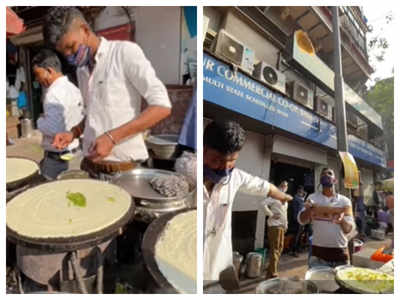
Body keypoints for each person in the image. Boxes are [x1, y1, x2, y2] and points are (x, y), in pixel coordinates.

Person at [43, 7, 171, 179]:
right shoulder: (82, 71)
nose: (70, 56)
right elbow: (92, 113)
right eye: (64, 53)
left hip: (124, 171)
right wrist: (73, 132)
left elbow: (162, 106)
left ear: (85, 30)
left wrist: (112, 138)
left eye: (71, 47)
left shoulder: (124, 53)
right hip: (91, 168)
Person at [203, 120, 293, 283]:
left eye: (231, 161)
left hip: (218, 271)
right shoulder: (187, 175)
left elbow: (267, 187)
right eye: (217, 160)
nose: (224, 169)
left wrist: (285, 196)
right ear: (203, 149)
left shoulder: (235, 177)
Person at [32, 49, 84, 179]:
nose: (37, 79)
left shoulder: (53, 93)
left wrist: (39, 120)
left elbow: (54, 129)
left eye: (38, 74)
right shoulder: (74, 88)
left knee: (51, 192)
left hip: (57, 159)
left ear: (49, 71)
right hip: (75, 153)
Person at [298, 168, 355, 268]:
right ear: (320, 180)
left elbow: (348, 229)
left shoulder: (345, 201)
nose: (326, 175)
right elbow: (301, 220)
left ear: (335, 180)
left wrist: (341, 220)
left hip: (341, 255)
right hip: (318, 255)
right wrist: (309, 210)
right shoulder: (312, 198)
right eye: (323, 174)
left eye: (329, 173)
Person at [262, 180, 292, 279]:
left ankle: (270, 268)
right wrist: (271, 214)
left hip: (282, 226)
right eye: (283, 185)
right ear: (279, 186)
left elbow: (285, 213)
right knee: (275, 249)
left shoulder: (285, 198)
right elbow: (263, 204)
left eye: (286, 186)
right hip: (274, 225)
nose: (284, 187)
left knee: (280, 247)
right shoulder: (274, 196)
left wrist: (286, 224)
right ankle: (273, 272)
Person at [289, 185, 306, 257]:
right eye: (301, 191)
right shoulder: (296, 199)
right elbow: (297, 208)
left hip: (301, 219)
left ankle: (298, 248)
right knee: (297, 235)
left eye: (302, 191)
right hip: (297, 219)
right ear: (298, 191)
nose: (302, 192)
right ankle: (293, 250)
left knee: (300, 235)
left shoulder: (300, 198)